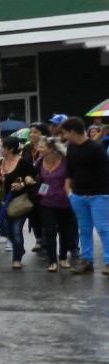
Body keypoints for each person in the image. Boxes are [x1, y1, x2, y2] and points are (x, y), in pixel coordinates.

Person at [58, 117, 109, 276]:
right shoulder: (71, 149)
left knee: (103, 229)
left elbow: (106, 172)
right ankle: (87, 261)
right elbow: (70, 170)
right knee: (84, 229)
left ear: (72, 131)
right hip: (78, 195)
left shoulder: (96, 148)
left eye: (65, 132)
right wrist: (68, 189)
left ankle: (108, 262)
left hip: (99, 195)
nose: (64, 136)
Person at [33, 136, 77, 271]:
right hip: (46, 202)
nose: (38, 149)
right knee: (50, 231)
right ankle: (52, 261)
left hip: (65, 202)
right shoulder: (40, 161)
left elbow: (75, 177)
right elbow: (32, 175)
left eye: (41, 147)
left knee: (64, 231)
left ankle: (63, 257)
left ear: (51, 148)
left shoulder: (65, 161)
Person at [0, 136, 37, 269]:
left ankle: (17, 258)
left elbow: (34, 176)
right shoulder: (0, 163)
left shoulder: (23, 162)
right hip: (4, 202)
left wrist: (23, 184)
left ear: (11, 148)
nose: (0, 149)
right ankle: (19, 248)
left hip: (20, 201)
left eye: (3, 147)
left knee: (16, 230)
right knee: (5, 230)